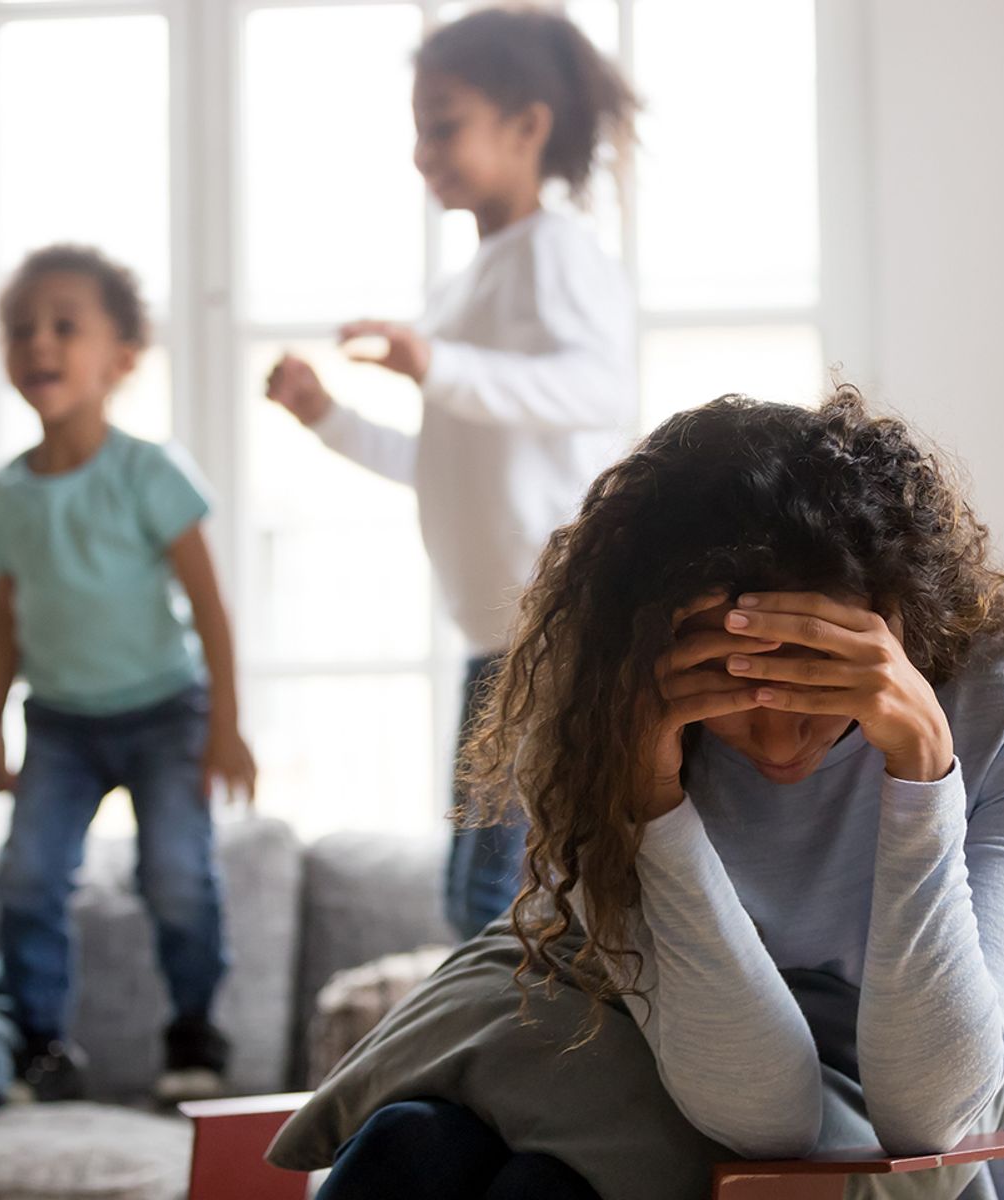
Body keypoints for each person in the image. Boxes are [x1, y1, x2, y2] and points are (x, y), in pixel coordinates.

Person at [266, 390, 1004, 1200]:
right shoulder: (601, 706)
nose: (776, 741)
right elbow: (760, 1102)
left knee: (541, 1186)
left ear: (893, 618)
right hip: (639, 1016)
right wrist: (651, 799)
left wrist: (922, 771)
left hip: (849, 1078)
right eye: (731, 691)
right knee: (415, 1144)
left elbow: (928, 1116)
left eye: (814, 687)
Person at [263, 5, 638, 941]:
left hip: (556, 621)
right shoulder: (463, 286)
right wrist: (327, 417)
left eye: (444, 126)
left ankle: (495, 1066)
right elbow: (435, 465)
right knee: (473, 887)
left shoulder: (552, 252)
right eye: (419, 130)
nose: (423, 153)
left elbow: (598, 387)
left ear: (526, 127)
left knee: (494, 891)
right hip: (494, 632)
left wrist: (435, 364)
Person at [0, 245, 256, 1104]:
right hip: (59, 723)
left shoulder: (148, 471)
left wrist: (226, 724)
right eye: (22, 329)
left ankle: (193, 1033)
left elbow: (210, 605)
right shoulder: (8, 494)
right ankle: (41, 1047)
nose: (39, 344)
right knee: (25, 878)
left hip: (166, 713)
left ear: (121, 360)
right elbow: (3, 621)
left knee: (175, 873)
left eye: (65, 326)